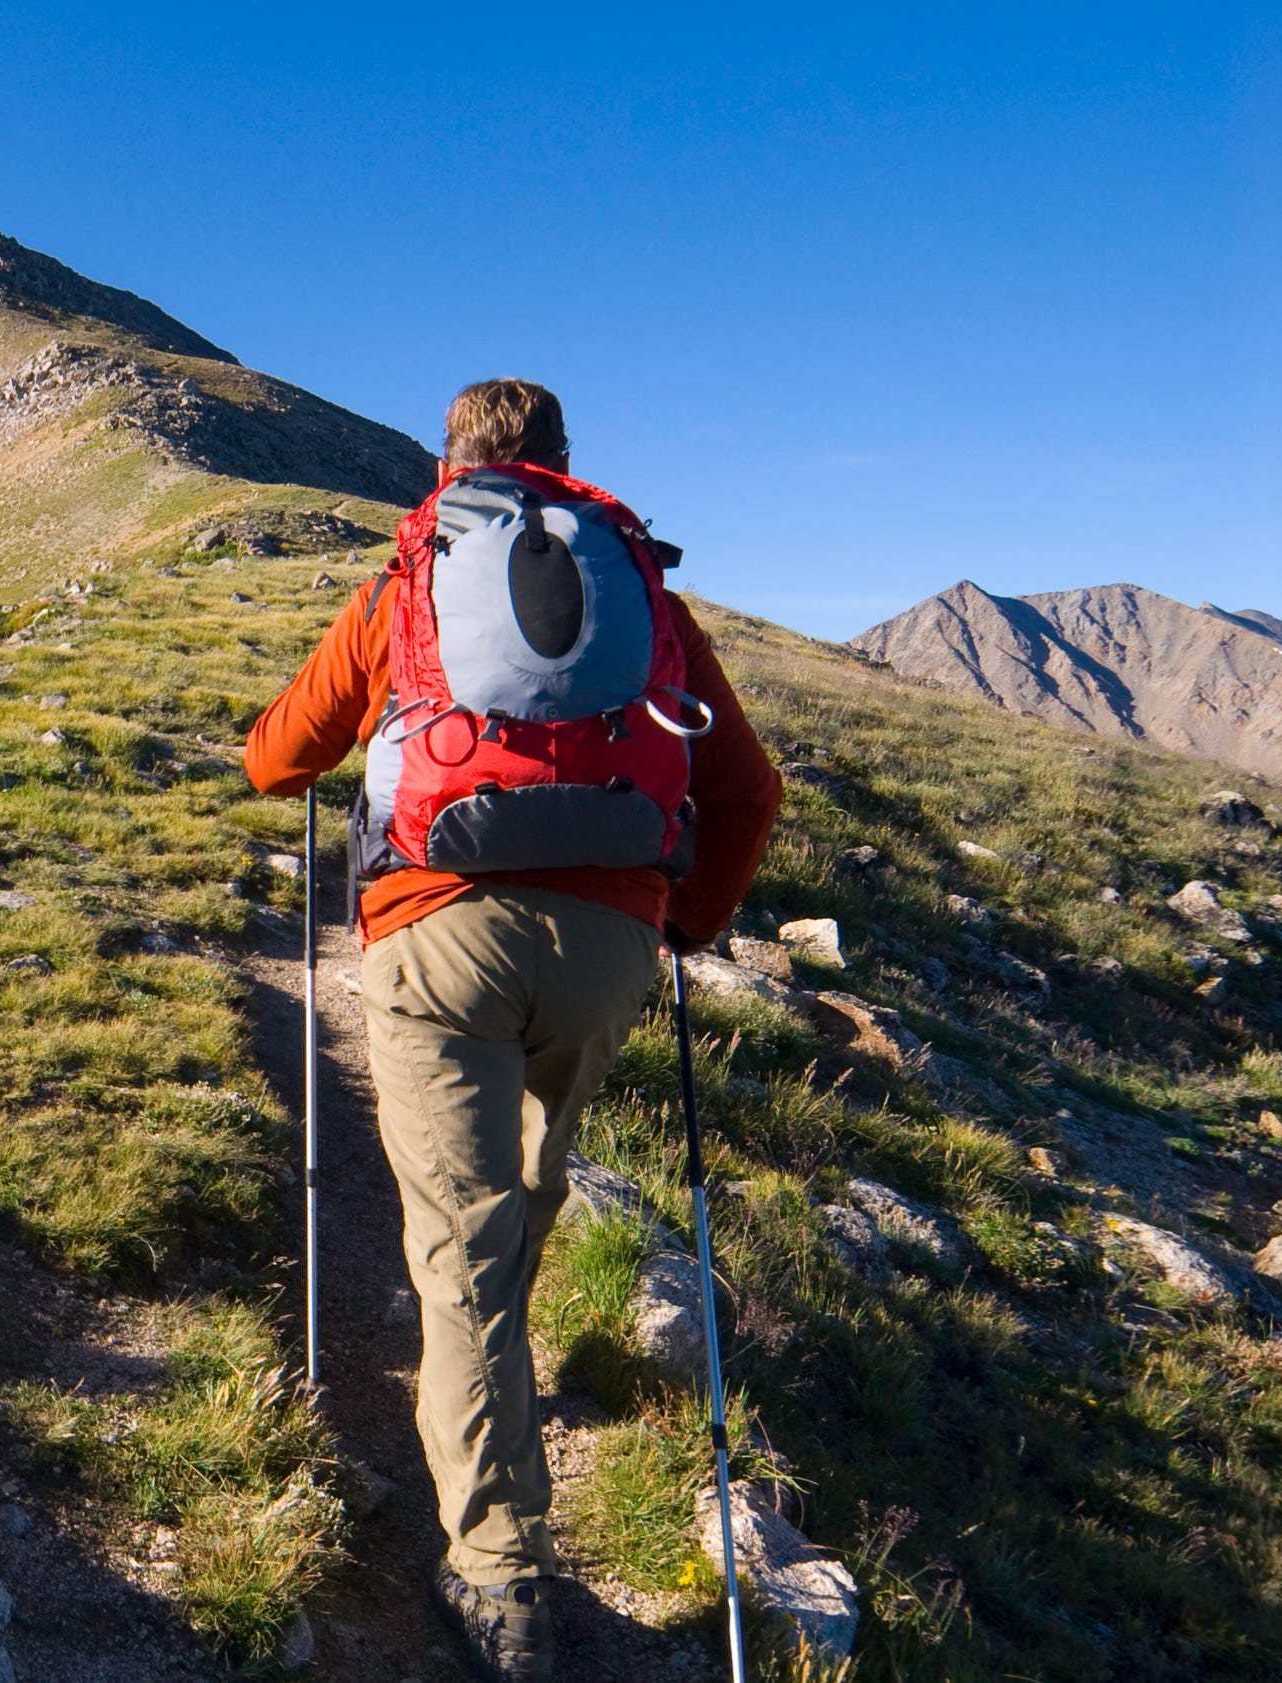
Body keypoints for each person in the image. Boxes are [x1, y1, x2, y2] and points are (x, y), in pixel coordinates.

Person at [242, 379, 782, 1681]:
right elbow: (748, 787)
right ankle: (489, 1382)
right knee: (523, 1201)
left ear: (454, 465)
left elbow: (277, 760)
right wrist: (685, 925)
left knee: (463, 1246)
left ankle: (494, 1567)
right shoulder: (640, 588)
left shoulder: (409, 580)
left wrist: (307, 745)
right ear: (562, 465)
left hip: (440, 935)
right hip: (607, 945)